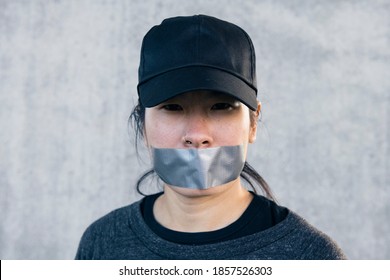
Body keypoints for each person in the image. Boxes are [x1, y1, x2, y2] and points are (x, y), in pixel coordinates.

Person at [75, 14, 346, 260]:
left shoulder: (311, 256)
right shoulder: (102, 243)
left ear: (253, 123)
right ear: (142, 123)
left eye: (221, 106)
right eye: (172, 107)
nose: (197, 135)